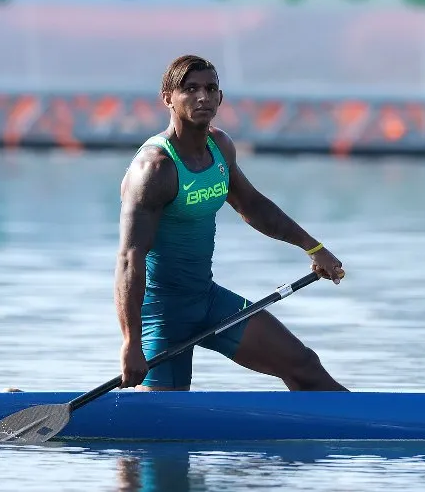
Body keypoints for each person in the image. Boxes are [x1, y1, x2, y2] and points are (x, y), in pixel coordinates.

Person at [115, 54, 349, 392]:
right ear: (167, 99)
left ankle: (369, 433)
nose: (202, 97)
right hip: (163, 315)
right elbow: (129, 259)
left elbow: (252, 205)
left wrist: (314, 247)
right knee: (164, 424)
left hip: (208, 301)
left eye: (211, 89)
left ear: (220, 98)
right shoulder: (155, 170)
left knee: (303, 366)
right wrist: (131, 343)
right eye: (190, 89)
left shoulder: (219, 147)